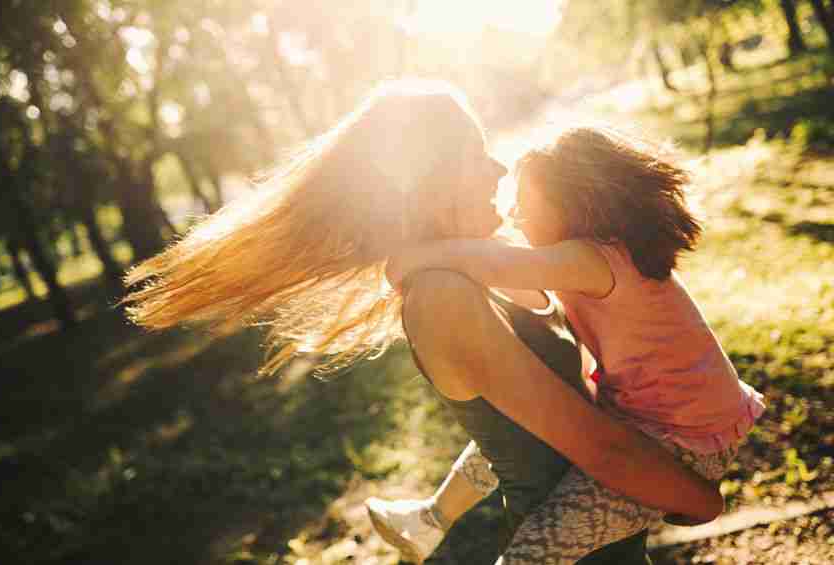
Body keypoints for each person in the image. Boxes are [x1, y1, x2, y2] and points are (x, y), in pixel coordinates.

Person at [121, 80, 724, 564]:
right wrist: (698, 496)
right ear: (429, 182)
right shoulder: (440, 297)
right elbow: (601, 448)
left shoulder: (488, 264)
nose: (497, 169)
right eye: (474, 154)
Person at [379, 124, 767, 563]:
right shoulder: (608, 254)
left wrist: (417, 258)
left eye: (524, 206)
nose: (515, 217)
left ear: (570, 203)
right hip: (682, 421)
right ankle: (431, 518)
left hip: (679, 439)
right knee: (517, 425)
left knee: (533, 552)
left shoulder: (590, 258)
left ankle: (435, 520)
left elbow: (498, 263)